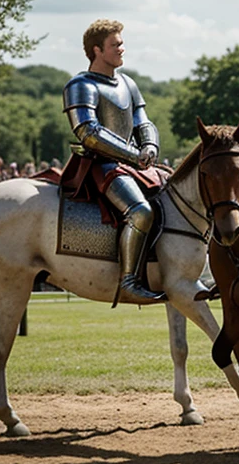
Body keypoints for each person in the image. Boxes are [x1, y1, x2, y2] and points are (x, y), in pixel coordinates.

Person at [63, 19, 164, 302]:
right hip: (101, 165)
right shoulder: (80, 85)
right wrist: (134, 155)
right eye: (115, 44)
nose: (122, 48)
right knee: (140, 212)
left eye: (121, 43)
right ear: (97, 50)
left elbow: (143, 121)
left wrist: (151, 146)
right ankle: (129, 280)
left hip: (136, 164)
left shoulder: (127, 83)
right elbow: (89, 133)